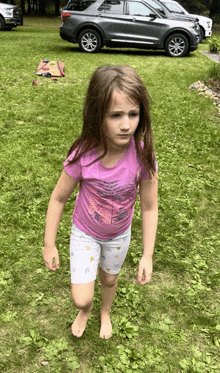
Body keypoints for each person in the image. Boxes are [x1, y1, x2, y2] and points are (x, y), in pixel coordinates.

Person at [43, 65, 158, 340]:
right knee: (81, 298)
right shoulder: (83, 154)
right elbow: (58, 198)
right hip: (85, 232)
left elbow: (149, 207)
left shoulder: (143, 157)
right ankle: (87, 309)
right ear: (98, 116)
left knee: (109, 279)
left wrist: (147, 254)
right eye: (115, 115)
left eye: (133, 114)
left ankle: (105, 311)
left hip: (118, 235)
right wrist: (49, 243)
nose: (126, 124)